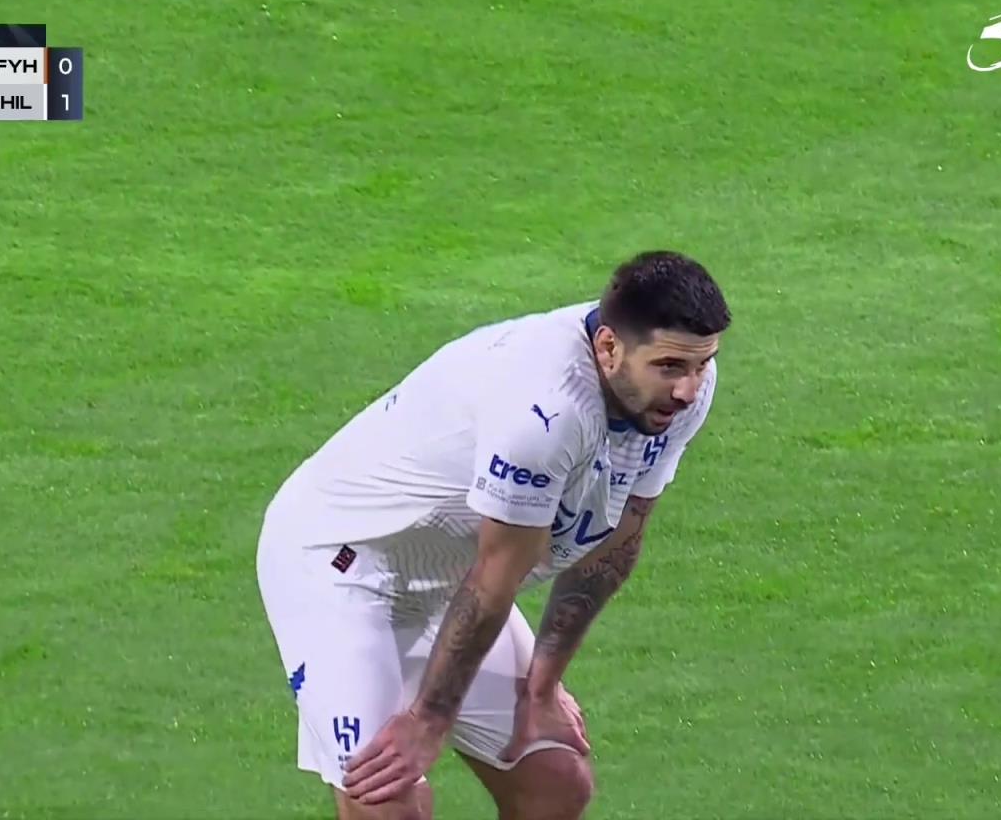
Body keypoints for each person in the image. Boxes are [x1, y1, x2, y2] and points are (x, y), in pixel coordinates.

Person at [256, 250, 731, 819]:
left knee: (556, 783)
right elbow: (496, 575)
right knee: (387, 796)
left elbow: (618, 541)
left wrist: (543, 687)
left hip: (451, 577)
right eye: (671, 367)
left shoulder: (676, 395)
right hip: (342, 565)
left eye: (702, 364)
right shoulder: (545, 409)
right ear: (609, 348)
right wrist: (427, 721)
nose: (688, 390)